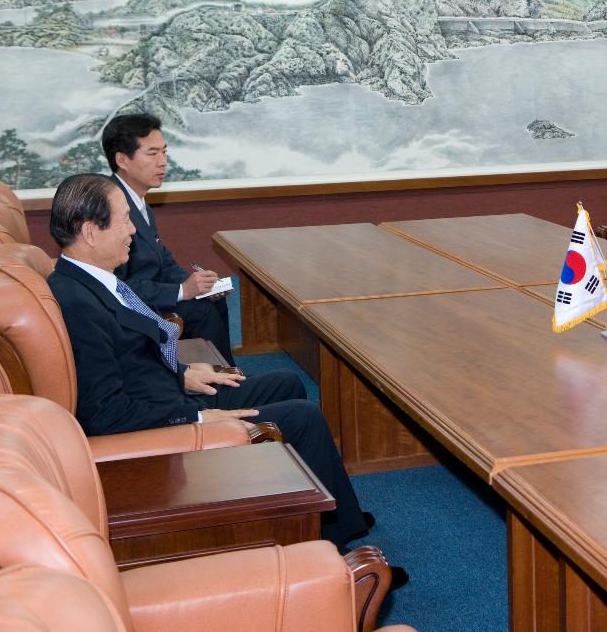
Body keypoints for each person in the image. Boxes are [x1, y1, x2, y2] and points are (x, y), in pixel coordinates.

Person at [46, 174, 372, 549]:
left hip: (168, 392)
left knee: (285, 382)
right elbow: (105, 414)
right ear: (90, 231)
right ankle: (336, 544)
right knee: (303, 416)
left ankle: (320, 517)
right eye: (123, 219)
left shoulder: (93, 281)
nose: (132, 229)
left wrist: (183, 373)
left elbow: (129, 354)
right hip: (162, 419)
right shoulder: (77, 303)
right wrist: (199, 419)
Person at [101, 113, 234, 364]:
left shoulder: (137, 201)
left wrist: (196, 283)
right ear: (122, 159)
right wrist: (183, 290)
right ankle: (220, 383)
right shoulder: (111, 207)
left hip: (151, 295)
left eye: (164, 152)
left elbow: (162, 260)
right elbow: (117, 285)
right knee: (200, 309)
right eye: (152, 154)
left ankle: (226, 374)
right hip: (130, 308)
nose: (163, 162)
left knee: (210, 301)